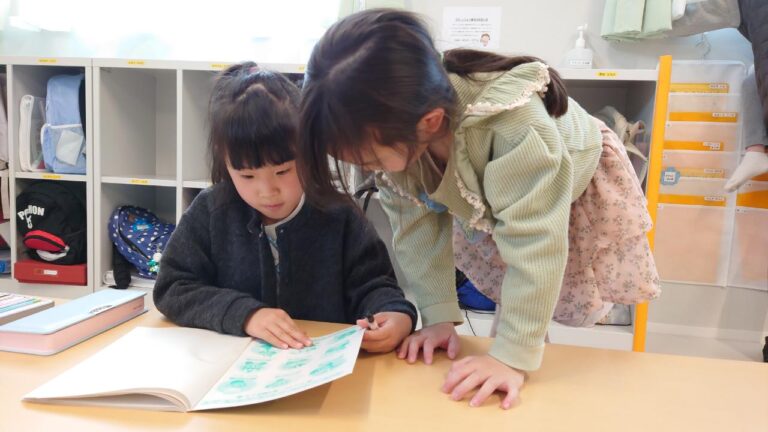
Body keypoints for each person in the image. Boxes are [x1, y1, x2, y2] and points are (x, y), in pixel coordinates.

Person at [297, 9, 659, 408]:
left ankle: (520, 353)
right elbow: (416, 228)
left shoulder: (511, 125)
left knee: (528, 288)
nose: (365, 169)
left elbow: (536, 244)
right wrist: (437, 319)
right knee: (511, 285)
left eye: (369, 158)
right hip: (495, 180)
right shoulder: (406, 128)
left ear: (429, 122)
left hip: (572, 177)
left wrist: (509, 359)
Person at [154, 62, 416, 353]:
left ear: (309, 153)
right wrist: (246, 315)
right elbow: (173, 287)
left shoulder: (339, 215)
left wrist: (396, 315)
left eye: (282, 171)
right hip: (235, 368)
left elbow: (376, 286)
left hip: (318, 366)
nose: (267, 191)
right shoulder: (212, 211)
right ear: (225, 165)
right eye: (247, 176)